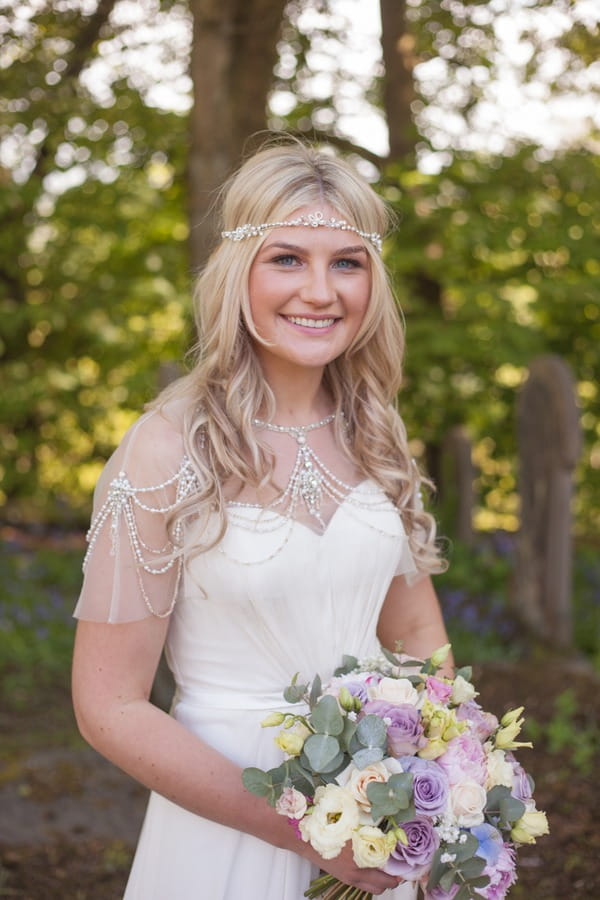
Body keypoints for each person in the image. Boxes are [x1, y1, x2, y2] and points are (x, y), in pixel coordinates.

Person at [72, 137, 452, 900]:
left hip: (381, 828)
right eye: (287, 259)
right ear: (236, 271)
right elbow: (109, 706)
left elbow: (416, 637)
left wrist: (441, 768)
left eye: (346, 262)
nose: (320, 291)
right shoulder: (166, 448)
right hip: (225, 826)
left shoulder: (376, 432)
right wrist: (302, 827)